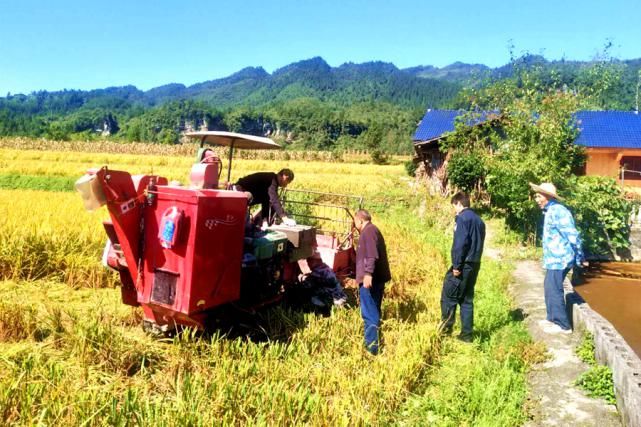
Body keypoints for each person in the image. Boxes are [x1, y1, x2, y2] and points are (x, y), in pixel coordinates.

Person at [530, 182, 587, 335]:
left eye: (539, 196)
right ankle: (552, 319)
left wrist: (580, 255)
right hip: (553, 258)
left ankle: (563, 325)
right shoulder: (550, 211)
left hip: (560, 258)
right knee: (549, 286)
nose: (536, 199)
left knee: (554, 288)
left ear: (547, 197)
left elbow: (572, 234)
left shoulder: (559, 211)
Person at [440, 192, 485, 343]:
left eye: (454, 206)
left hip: (464, 264)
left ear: (459, 204)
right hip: (475, 263)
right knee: (466, 299)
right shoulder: (479, 221)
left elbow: (460, 244)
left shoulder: (462, 218)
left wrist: (456, 265)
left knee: (449, 295)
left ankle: (445, 331)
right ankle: (467, 334)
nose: (454, 210)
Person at [354, 209, 391, 355]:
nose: (355, 225)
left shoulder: (368, 232)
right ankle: (374, 342)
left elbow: (371, 255)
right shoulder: (373, 230)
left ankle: (372, 348)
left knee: (369, 313)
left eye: (355, 222)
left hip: (370, 280)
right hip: (377, 279)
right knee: (374, 308)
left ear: (360, 221)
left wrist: (367, 274)